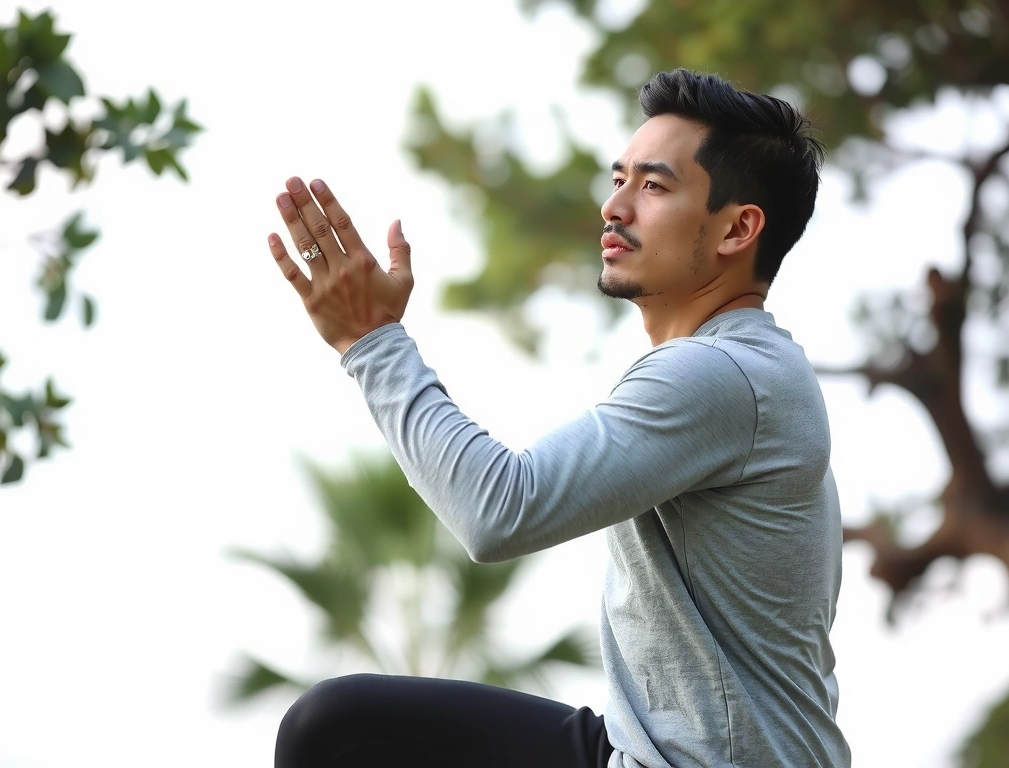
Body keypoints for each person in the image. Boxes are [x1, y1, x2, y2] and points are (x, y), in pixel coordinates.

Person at [266, 68, 851, 768]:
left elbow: (499, 511)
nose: (614, 206)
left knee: (338, 729)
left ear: (737, 229)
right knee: (341, 726)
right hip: (637, 751)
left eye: (654, 186)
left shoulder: (723, 375)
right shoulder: (749, 372)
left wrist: (372, 342)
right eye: (619, 179)